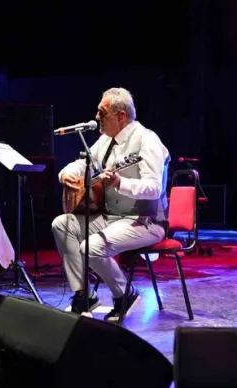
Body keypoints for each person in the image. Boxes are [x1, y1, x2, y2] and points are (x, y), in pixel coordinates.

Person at [52, 88, 170, 321]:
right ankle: (84, 295)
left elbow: (155, 188)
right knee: (62, 225)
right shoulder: (106, 140)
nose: (97, 117)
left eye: (102, 112)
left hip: (145, 221)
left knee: (91, 247)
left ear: (121, 115)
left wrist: (120, 182)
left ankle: (124, 294)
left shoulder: (147, 140)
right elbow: (83, 163)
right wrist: (65, 174)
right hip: (111, 218)